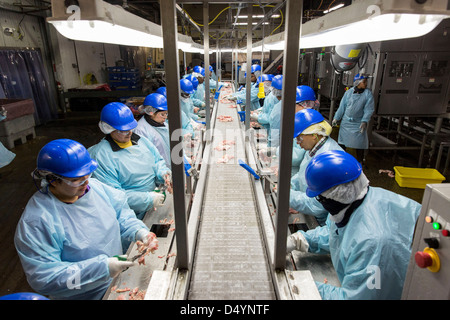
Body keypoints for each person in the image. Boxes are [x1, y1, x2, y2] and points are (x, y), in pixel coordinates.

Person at [14, 139, 156, 299]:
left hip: (117, 284)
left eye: (87, 175)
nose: (85, 182)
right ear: (52, 180)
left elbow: (122, 215)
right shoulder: (38, 220)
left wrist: (139, 231)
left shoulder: (96, 188)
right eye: (76, 180)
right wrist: (102, 268)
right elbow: (45, 277)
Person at [287, 150, 421, 300]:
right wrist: (300, 240)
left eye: (319, 197)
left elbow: (357, 297)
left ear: (333, 197)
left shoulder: (371, 242)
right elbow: (341, 233)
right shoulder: (359, 199)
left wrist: (303, 286)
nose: (319, 201)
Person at [88, 102, 171, 220]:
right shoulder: (100, 156)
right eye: (122, 130)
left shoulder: (141, 141)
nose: (129, 133)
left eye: (130, 128)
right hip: (130, 216)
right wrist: (148, 199)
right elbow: (113, 195)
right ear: (108, 129)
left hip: (154, 203)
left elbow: (157, 161)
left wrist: (163, 173)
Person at [289, 109, 343, 226]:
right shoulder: (314, 149)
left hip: (326, 223)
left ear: (314, 135)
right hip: (313, 212)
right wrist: (290, 184)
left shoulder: (327, 159)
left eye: (299, 138)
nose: (297, 142)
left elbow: (317, 205)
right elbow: (304, 173)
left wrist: (289, 196)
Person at [332, 74, 374, 165]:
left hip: (358, 123)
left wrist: (364, 121)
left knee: (359, 144)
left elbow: (369, 109)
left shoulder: (368, 94)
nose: (366, 84)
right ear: (358, 83)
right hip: (346, 122)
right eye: (364, 82)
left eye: (366, 81)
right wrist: (336, 118)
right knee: (342, 142)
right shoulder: (348, 92)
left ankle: (360, 162)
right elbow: (342, 107)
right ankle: (341, 161)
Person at [135, 93, 171, 167]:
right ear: (151, 112)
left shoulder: (162, 123)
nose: (165, 117)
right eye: (162, 114)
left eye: (166, 114)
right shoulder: (140, 130)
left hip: (169, 167)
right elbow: (145, 159)